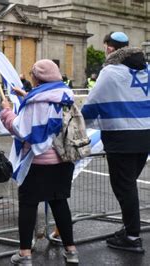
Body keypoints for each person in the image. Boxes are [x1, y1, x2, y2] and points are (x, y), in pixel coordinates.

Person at [0, 59, 78, 264]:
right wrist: (26, 96)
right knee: (60, 203)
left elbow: (22, 129)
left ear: (37, 77)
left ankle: (25, 253)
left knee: (28, 206)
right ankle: (71, 251)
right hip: (63, 161)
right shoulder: (65, 96)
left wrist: (6, 112)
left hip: (37, 163)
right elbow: (48, 115)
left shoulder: (35, 102)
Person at [82, 31, 150, 253]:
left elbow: (93, 103)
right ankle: (129, 229)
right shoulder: (147, 69)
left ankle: (132, 236)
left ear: (109, 48)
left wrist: (81, 123)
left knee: (124, 187)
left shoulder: (110, 71)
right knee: (128, 184)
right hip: (146, 136)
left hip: (121, 137)